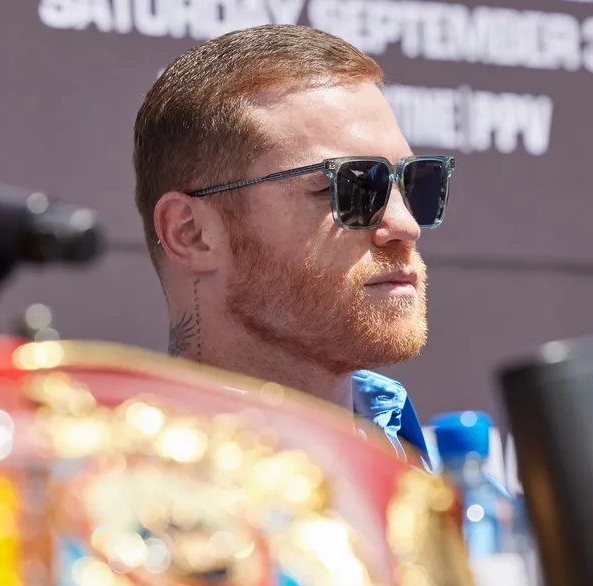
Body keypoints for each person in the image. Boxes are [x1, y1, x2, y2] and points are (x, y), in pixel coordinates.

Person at [131, 24, 455, 467]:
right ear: (192, 233)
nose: (404, 225)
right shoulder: (122, 498)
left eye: (417, 183)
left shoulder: (428, 462)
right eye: (350, 186)